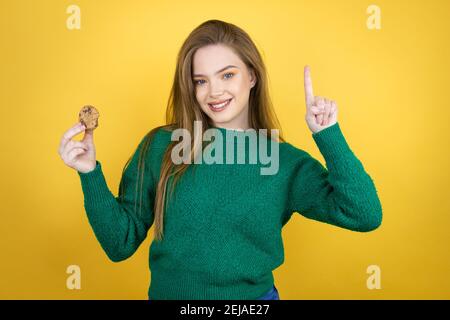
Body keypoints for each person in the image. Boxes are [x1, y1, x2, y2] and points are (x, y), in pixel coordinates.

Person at [57, 19, 382, 300]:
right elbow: (120, 243)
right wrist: (89, 174)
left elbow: (364, 214)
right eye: (201, 80)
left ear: (252, 76)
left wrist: (328, 134)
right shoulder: (160, 146)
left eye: (227, 75)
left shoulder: (283, 161)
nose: (213, 91)